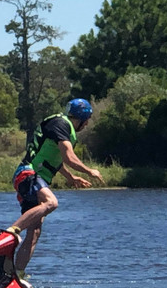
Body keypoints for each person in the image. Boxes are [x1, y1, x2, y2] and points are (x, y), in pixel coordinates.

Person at [7, 98, 102, 274]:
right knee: (51, 203)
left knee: (35, 231)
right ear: (82, 118)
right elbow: (69, 157)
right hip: (27, 174)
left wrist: (71, 177)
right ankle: (11, 232)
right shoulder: (61, 124)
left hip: (35, 179)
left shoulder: (63, 130)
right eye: (87, 120)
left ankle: (15, 273)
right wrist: (89, 171)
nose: (87, 124)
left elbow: (55, 160)